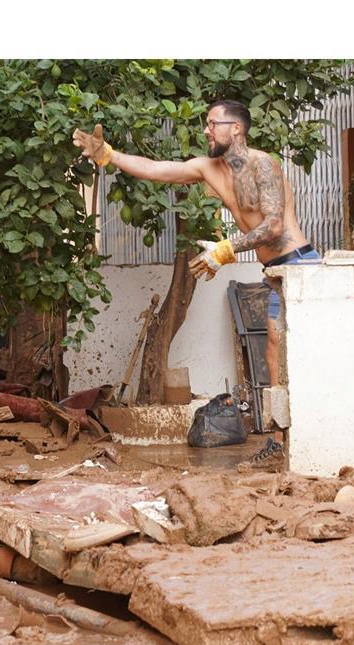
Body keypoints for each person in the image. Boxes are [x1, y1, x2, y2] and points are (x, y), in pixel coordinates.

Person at [73, 100, 320, 469]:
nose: (206, 130)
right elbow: (158, 169)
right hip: (273, 272)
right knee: (273, 355)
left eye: (212, 123)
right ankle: (280, 440)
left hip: (298, 265)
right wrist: (109, 155)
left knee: (289, 352)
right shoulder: (208, 168)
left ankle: (299, 437)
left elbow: (274, 226)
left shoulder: (263, 165)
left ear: (236, 128)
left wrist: (225, 249)